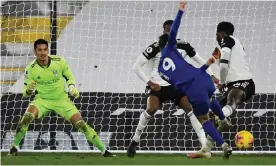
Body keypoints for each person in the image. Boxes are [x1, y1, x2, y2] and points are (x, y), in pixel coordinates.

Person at [127, 16, 219, 159]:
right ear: (163, 31)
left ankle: (204, 146)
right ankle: (135, 140)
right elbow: (136, 66)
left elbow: (199, 60)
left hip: (177, 86)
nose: (169, 33)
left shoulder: (183, 45)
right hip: (158, 87)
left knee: (191, 109)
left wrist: (212, 75)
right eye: (167, 30)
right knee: (151, 109)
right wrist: (149, 82)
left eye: (172, 30)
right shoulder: (155, 46)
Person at [8, 39, 115, 157]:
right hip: (42, 100)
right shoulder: (30, 68)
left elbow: (69, 77)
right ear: (35, 52)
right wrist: (28, 90)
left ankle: (104, 150)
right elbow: (25, 94)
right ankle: (15, 146)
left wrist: (72, 87)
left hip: (61, 99)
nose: (43, 53)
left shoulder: (59, 62)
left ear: (48, 50)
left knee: (81, 124)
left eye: (45, 50)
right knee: (26, 119)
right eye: (39, 50)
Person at [157, 1, 232, 159]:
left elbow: (180, 82)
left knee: (203, 120)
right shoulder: (172, 47)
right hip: (203, 78)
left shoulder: (160, 70)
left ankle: (223, 144)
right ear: (169, 43)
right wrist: (180, 11)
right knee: (211, 97)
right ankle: (223, 119)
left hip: (192, 89)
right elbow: (174, 30)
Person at [189, 21, 256, 158]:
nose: (216, 37)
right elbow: (212, 60)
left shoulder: (228, 40)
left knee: (230, 104)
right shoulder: (222, 47)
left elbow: (224, 66)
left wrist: (222, 82)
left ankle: (223, 119)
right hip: (232, 85)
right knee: (212, 115)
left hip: (244, 82)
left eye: (216, 34)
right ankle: (206, 149)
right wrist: (213, 78)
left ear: (221, 33)